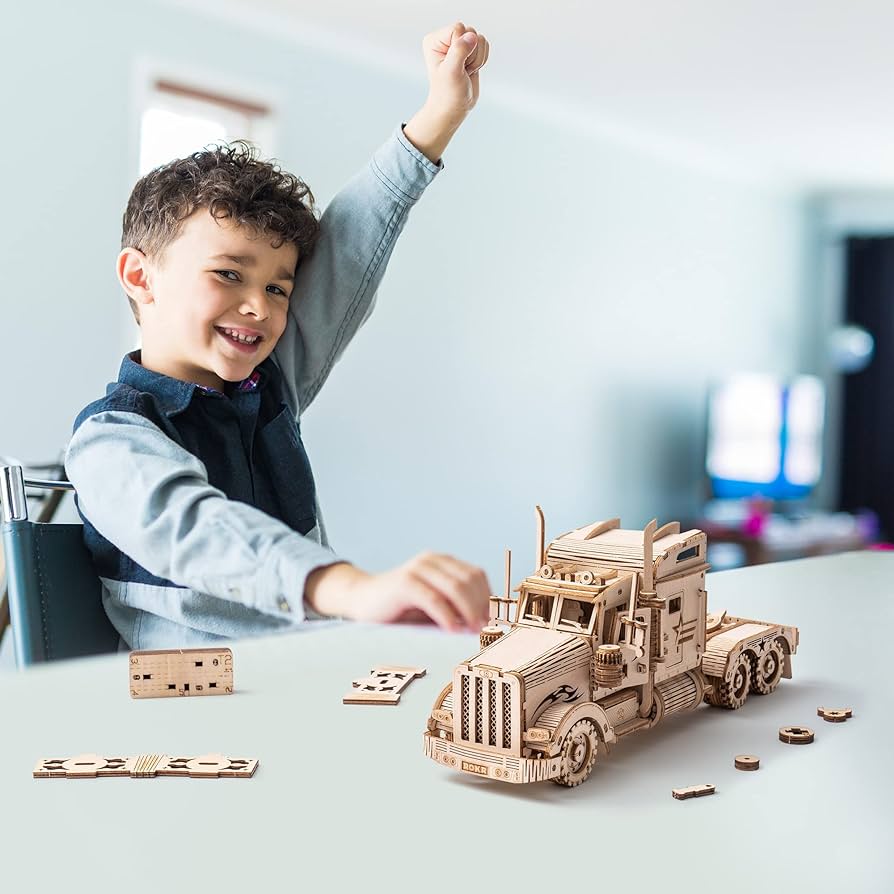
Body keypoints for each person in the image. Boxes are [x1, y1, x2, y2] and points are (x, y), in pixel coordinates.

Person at [65, 23, 493, 649]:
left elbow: (348, 248)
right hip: (194, 714)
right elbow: (199, 528)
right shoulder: (110, 442)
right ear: (140, 276)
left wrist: (439, 115)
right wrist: (346, 587)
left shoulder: (268, 385)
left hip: (310, 671)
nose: (258, 308)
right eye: (229, 274)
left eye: (277, 288)